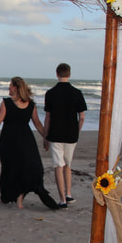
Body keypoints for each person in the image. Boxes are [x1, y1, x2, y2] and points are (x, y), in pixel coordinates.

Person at [0, 77, 59, 210]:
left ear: (16, 87)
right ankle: (12, 196)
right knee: (12, 167)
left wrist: (46, 137)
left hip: (17, 139)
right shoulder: (9, 103)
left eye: (10, 86)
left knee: (23, 168)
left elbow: (37, 124)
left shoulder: (26, 104)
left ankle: (16, 196)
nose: (8, 88)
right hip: (17, 139)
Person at [43, 63, 87, 207]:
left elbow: (48, 117)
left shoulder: (50, 93)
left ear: (57, 74)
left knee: (58, 166)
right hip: (71, 134)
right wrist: (77, 130)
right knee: (68, 164)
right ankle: (68, 194)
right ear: (69, 74)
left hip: (55, 134)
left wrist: (45, 135)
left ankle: (62, 199)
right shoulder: (77, 93)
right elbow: (82, 117)